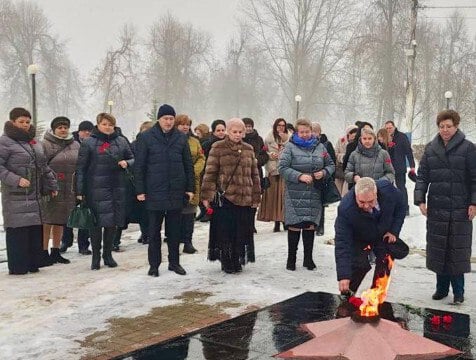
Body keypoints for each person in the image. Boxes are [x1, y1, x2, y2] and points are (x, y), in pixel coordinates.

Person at [414, 110, 476, 304]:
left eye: (449, 126)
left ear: (456, 126)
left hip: (460, 208)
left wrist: (474, 202)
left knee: (457, 250)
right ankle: (441, 289)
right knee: (439, 248)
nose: (445, 130)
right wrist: (420, 199)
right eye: (442, 126)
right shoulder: (431, 149)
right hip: (437, 208)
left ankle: (458, 292)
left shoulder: (468, 148)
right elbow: (422, 176)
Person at [134, 104, 194, 277]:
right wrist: (140, 190)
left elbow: (188, 165)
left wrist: (190, 188)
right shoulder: (146, 138)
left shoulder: (181, 138)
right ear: (159, 119)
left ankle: (174, 263)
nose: (168, 122)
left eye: (171, 119)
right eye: (165, 118)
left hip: (176, 190)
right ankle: (154, 265)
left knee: (175, 231)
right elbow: (139, 166)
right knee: (153, 232)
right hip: (154, 191)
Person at [0, 107, 58, 275]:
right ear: (12, 122)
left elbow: (43, 166)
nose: (25, 125)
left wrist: (51, 184)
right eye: (21, 122)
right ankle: (19, 266)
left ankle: (34, 263)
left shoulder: (33, 141)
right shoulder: (5, 141)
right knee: (19, 230)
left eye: (27, 122)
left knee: (34, 228)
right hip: (17, 195)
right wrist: (16, 179)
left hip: (36, 194)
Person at [201, 118, 261, 274]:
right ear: (228, 131)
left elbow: (254, 174)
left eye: (240, 132)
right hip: (225, 197)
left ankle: (237, 258)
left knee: (241, 230)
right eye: (234, 131)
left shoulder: (248, 149)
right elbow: (210, 172)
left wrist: (256, 196)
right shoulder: (218, 147)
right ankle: (226, 260)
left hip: (245, 197)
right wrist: (207, 195)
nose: (238, 135)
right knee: (226, 230)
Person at [76, 113, 134, 270]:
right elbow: (81, 168)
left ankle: (108, 255)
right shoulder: (88, 143)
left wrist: (127, 163)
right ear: (98, 125)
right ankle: (96, 256)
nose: (108, 127)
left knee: (112, 223)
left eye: (110, 125)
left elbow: (133, 158)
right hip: (95, 188)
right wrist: (79, 191)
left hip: (117, 186)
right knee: (96, 224)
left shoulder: (121, 141)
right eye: (104, 124)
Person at [278, 119, 334, 271]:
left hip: (314, 192)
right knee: (295, 225)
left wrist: (323, 172)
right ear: (296, 132)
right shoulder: (289, 147)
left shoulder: (320, 146)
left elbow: (331, 165)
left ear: (312, 132)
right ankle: (291, 259)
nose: (304, 135)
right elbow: (282, 167)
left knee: (310, 225)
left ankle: (308, 259)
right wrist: (299, 176)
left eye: (307, 132)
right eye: (301, 132)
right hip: (295, 192)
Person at [335, 177, 407, 294]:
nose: (367, 206)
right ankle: (347, 295)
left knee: (385, 260)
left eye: (371, 201)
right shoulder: (345, 208)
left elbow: (401, 207)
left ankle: (376, 294)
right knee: (359, 265)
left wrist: (394, 231)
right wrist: (343, 275)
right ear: (356, 196)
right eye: (362, 202)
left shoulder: (388, 190)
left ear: (376, 194)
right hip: (359, 236)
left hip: (382, 233)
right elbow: (342, 243)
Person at [41, 116, 80, 265]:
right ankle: (43, 251)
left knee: (60, 220)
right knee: (47, 221)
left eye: (65, 127)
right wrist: (46, 186)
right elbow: (41, 167)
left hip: (68, 189)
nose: (63, 130)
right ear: (54, 129)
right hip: (52, 189)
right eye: (60, 127)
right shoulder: (45, 144)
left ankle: (56, 251)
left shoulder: (75, 144)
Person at [60, 120, 94, 255]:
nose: (87, 132)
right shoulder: (70, 143)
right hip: (70, 182)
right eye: (84, 130)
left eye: (89, 130)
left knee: (84, 213)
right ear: (79, 131)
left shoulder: (92, 143)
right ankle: (66, 240)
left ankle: (83, 244)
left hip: (86, 182)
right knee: (67, 214)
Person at [175, 114, 205, 254]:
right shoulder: (172, 140)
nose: (185, 127)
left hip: (192, 180)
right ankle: (174, 239)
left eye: (187, 124)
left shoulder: (195, 141)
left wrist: (193, 171)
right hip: (176, 180)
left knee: (190, 212)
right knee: (176, 213)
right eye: (182, 124)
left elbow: (201, 158)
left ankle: (188, 241)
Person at [257, 118, 289, 232]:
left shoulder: (289, 138)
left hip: (285, 170)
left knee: (283, 197)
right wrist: (270, 154)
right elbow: (263, 152)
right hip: (272, 169)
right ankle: (276, 222)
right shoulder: (269, 138)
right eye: (279, 125)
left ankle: (285, 220)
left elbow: (292, 151)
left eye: (283, 125)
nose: (281, 127)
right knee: (273, 197)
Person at [243, 117, 269, 234]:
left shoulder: (259, 139)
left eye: (250, 126)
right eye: (246, 126)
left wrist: (258, 160)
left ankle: (251, 224)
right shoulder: (239, 139)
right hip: (242, 173)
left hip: (256, 172)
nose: (248, 128)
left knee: (254, 199)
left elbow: (265, 155)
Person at [385, 120, 416, 215]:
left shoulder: (401, 137)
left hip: (399, 167)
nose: (389, 130)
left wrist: (412, 165)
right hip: (387, 168)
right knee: (387, 188)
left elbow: (408, 151)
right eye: (387, 128)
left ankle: (405, 208)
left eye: (390, 128)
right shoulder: (384, 137)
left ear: (394, 127)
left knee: (401, 187)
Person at [130, 121, 153, 245]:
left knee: (151, 211)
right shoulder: (134, 145)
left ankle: (149, 233)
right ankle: (145, 233)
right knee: (142, 210)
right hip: (138, 181)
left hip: (152, 180)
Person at [311, 122, 336, 236]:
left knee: (321, 203)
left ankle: (320, 226)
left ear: (319, 132)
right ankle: (312, 224)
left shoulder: (326, 144)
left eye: (315, 131)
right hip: (310, 178)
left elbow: (332, 162)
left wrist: (328, 175)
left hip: (322, 178)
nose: (313, 134)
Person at [334, 125, 358, 196]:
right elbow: (335, 153)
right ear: (348, 134)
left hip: (350, 170)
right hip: (340, 169)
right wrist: (342, 157)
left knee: (346, 192)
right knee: (338, 191)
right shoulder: (341, 141)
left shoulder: (358, 142)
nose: (353, 137)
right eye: (352, 134)